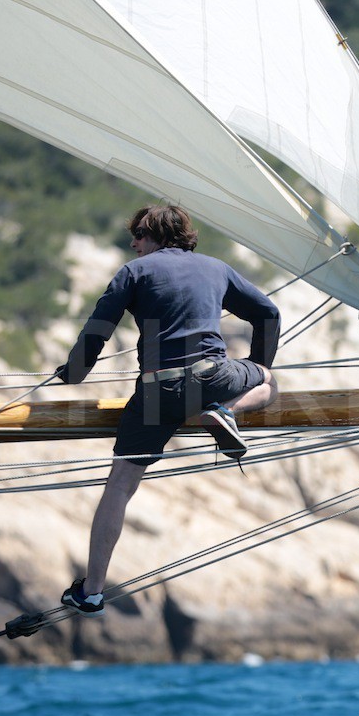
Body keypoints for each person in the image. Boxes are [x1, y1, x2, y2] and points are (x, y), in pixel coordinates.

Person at [53, 205, 280, 616]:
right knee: (268, 380)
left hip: (157, 391)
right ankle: (226, 411)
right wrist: (258, 364)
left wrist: (73, 374)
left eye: (138, 235)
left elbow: (97, 330)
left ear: (155, 234)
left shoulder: (133, 273)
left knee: (119, 486)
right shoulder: (216, 268)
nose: (133, 243)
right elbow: (268, 313)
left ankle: (92, 590)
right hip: (215, 378)